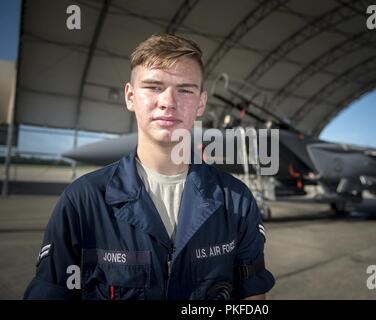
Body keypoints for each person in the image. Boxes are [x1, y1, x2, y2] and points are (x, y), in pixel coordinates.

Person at [23, 33, 275, 300]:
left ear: (201, 103)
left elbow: (252, 297)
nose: (168, 101)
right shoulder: (82, 202)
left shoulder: (236, 201)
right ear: (130, 96)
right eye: (153, 86)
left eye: (185, 89)